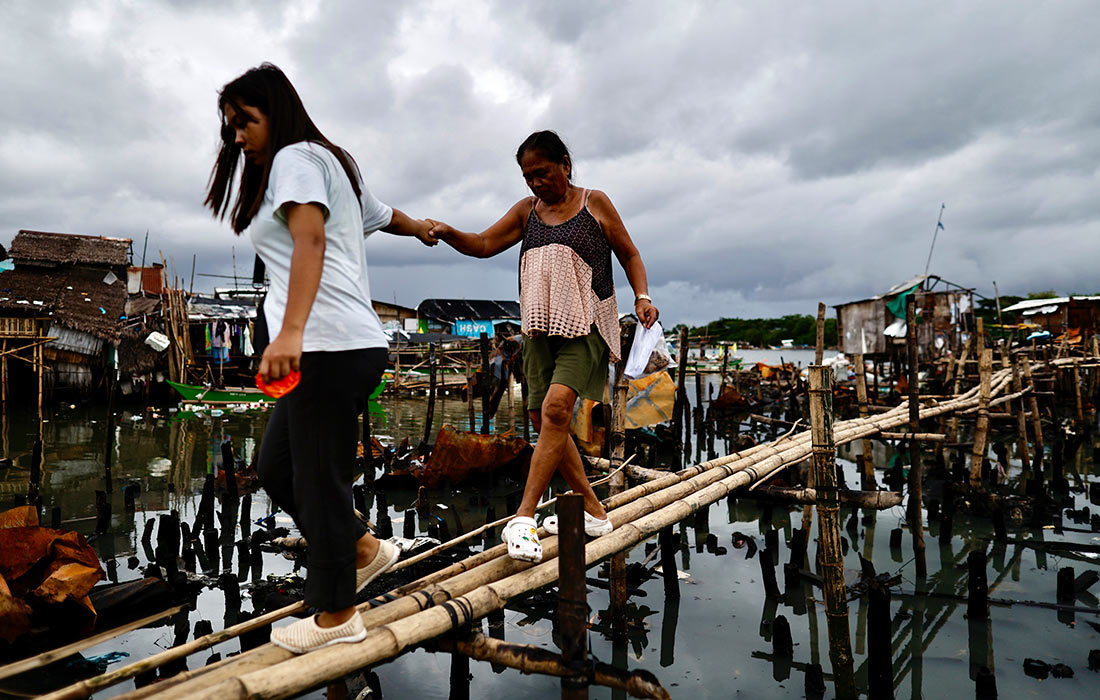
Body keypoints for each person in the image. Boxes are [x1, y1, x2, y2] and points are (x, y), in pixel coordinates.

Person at [204, 63, 436, 653]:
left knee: (317, 479)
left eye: (244, 122)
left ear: (275, 113)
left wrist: (288, 334)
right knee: (280, 469)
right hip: (341, 345)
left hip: (326, 345)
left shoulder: (296, 160)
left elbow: (310, 239)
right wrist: (427, 229)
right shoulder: (331, 161)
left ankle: (338, 615)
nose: (236, 138)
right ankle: (364, 550)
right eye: (229, 127)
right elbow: (385, 216)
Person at [428, 131, 659, 562]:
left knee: (555, 412)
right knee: (543, 418)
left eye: (542, 173)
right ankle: (593, 511)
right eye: (527, 176)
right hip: (538, 328)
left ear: (566, 165)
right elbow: (482, 244)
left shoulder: (595, 202)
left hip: (585, 324)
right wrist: (449, 232)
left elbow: (629, 254)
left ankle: (522, 517)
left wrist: (641, 296)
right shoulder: (526, 212)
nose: (535, 183)